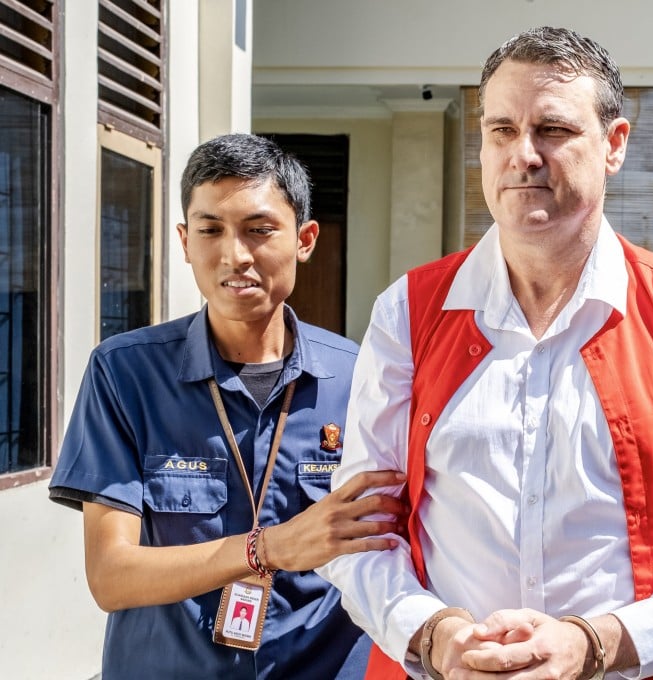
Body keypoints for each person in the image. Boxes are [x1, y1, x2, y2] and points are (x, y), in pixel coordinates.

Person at [316, 26, 653, 680]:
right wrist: (436, 636)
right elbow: (357, 535)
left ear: (614, 144)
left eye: (553, 130)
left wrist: (595, 644)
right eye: (501, 130)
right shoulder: (407, 311)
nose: (523, 155)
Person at [48, 133, 406, 679]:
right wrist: (269, 548)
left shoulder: (364, 377)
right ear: (184, 241)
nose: (235, 255)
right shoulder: (125, 374)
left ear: (304, 239)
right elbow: (111, 576)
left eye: (259, 230)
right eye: (211, 230)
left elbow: (395, 545)